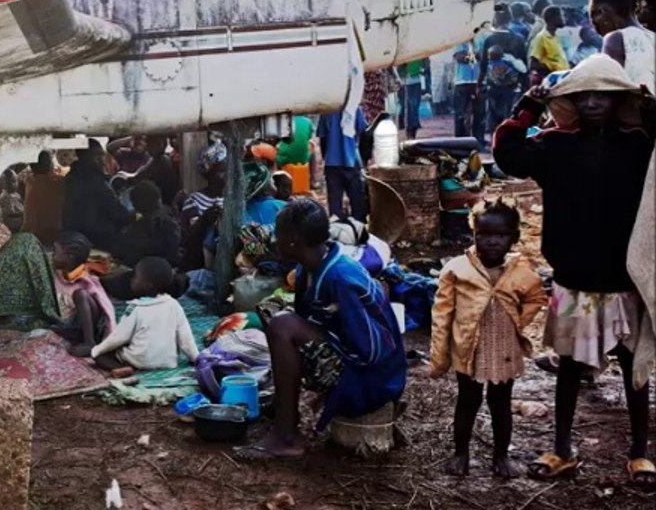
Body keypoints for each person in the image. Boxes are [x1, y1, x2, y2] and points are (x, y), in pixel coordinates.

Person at [493, 55, 655, 485]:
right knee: (569, 366)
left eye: (603, 94)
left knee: (633, 366)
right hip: (575, 277)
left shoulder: (640, 145)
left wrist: (649, 109)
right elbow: (508, 154)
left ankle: (640, 453)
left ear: (619, 99)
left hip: (625, 278)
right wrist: (529, 106)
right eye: (583, 95)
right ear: (572, 100)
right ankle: (562, 449)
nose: (592, 102)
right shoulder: (555, 146)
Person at [237, 199, 406, 460]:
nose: (274, 240)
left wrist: (328, 357)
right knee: (273, 311)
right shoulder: (309, 267)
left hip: (373, 379)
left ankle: (285, 438)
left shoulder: (341, 278)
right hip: (357, 360)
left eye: (278, 234)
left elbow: (370, 351)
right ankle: (285, 410)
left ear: (293, 241)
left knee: (282, 325)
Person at [430, 199, 546, 478]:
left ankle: (501, 456)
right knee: (467, 401)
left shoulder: (522, 271)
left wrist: (518, 320)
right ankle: (460, 453)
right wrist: (439, 357)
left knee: (500, 403)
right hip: (468, 350)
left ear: (514, 237)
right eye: (484, 234)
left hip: (504, 350)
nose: (492, 241)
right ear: (474, 234)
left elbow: (536, 298)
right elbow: (442, 314)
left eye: (501, 235)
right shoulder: (457, 269)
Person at [90, 257, 199, 378]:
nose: (131, 280)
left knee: (101, 355)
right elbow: (185, 337)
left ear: (147, 285)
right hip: (168, 361)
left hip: (138, 361)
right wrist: (195, 358)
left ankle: (119, 368)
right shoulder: (174, 305)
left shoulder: (136, 308)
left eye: (135, 277)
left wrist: (97, 350)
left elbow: (119, 337)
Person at [51, 232, 117, 356]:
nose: (52, 256)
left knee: (80, 294)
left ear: (69, 257)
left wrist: (109, 340)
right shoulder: (56, 274)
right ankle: (74, 336)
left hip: (85, 325)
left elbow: (107, 308)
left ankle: (89, 342)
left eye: (55, 252)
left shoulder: (87, 281)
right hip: (67, 324)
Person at [62, 140, 132, 250]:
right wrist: (134, 217)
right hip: (98, 239)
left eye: (102, 155)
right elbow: (118, 214)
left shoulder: (71, 178)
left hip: (75, 236)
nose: (102, 160)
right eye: (97, 156)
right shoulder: (96, 183)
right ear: (85, 158)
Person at [593, 0, 655, 89]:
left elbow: (609, 88)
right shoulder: (653, 37)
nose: (594, 23)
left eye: (593, 15)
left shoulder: (616, 39)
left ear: (602, 11)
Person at [112, 181, 181, 267]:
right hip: (166, 269)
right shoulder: (169, 226)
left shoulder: (128, 230)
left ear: (134, 205)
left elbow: (120, 255)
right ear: (158, 201)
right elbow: (174, 254)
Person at [317, 109, 368, 222]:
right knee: (357, 202)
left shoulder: (326, 112)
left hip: (332, 162)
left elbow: (323, 138)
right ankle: (359, 227)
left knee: (335, 206)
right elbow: (363, 131)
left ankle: (338, 228)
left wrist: (326, 158)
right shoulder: (354, 109)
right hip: (351, 161)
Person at [21, 150, 65, 245]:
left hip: (36, 235)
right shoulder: (59, 182)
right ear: (50, 165)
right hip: (57, 234)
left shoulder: (30, 182)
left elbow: (28, 220)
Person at [484, 45, 526, 136]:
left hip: (496, 90)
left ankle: (495, 133)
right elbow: (522, 70)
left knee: (494, 113)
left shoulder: (490, 64)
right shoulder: (508, 62)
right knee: (505, 112)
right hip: (506, 90)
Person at [452, 35, 485, 143]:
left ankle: (478, 140)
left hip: (478, 81)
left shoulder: (481, 39)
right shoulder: (459, 40)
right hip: (462, 82)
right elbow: (460, 58)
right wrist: (476, 56)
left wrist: (471, 56)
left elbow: (483, 57)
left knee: (479, 113)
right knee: (460, 113)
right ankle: (460, 140)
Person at [528, 6, 570, 86]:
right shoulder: (542, 37)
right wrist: (552, 66)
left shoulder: (554, 36)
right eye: (562, 16)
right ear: (553, 18)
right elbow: (533, 65)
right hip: (552, 83)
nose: (565, 19)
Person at [397, 60, 430, 140]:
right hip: (408, 82)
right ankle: (410, 130)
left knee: (411, 108)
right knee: (411, 108)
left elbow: (426, 64)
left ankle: (411, 130)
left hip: (411, 81)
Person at [0, 168, 25, 233]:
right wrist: (23, 213)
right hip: (8, 226)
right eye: (8, 182)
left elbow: (21, 206)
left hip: (17, 223)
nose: (12, 184)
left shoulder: (17, 195)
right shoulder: (4, 196)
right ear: (2, 183)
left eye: (14, 181)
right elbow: (10, 213)